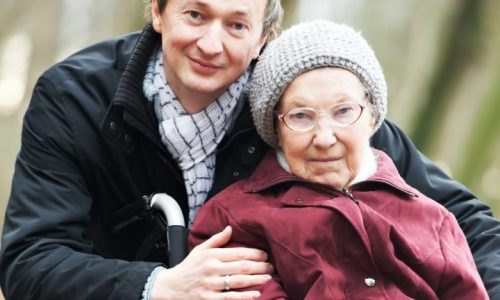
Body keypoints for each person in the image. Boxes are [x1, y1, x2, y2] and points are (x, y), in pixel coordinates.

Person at [0, 0, 498, 299]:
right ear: (157, 10)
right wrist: (159, 287)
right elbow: (29, 262)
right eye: (195, 14)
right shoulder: (73, 98)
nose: (211, 44)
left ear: (263, 35)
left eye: (237, 25)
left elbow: (462, 223)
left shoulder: (302, 102)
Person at [189, 20, 489, 299]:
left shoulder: (434, 219)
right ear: (275, 128)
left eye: (343, 111)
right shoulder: (234, 220)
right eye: (301, 116)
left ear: (372, 117)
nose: (324, 137)